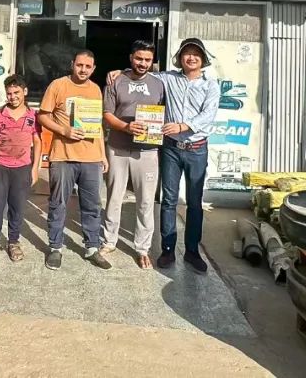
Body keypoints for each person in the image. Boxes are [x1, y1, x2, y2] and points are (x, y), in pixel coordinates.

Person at [108, 38, 220, 274]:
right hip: (170, 148)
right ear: (180, 58)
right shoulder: (167, 78)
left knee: (194, 202)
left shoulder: (211, 85)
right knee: (168, 200)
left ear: (203, 59)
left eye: (196, 54)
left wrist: (182, 126)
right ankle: (168, 249)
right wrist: (120, 71)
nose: (191, 58)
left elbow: (208, 114)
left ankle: (192, 251)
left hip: (197, 148)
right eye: (186, 53)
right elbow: (141, 71)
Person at [37, 50, 112, 271]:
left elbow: (97, 125)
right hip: (63, 156)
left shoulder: (95, 89)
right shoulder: (58, 85)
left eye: (88, 66)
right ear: (72, 64)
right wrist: (64, 131)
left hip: (91, 158)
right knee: (58, 203)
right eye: (80, 65)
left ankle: (92, 248)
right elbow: (42, 116)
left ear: (93, 69)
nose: (83, 70)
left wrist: (102, 154)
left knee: (92, 205)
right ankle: (55, 248)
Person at [101, 40, 166, 270]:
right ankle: (109, 241)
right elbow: (107, 114)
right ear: (131, 57)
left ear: (153, 61)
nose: (143, 63)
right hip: (117, 148)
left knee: (146, 201)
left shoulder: (159, 84)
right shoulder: (115, 80)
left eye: (148, 59)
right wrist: (126, 127)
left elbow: (164, 113)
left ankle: (142, 248)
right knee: (114, 197)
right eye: (139, 58)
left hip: (148, 151)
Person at [0, 75, 41, 265]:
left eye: (16, 92)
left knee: (17, 208)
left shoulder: (32, 115)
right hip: (0, 167)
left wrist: (35, 168)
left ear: (25, 92)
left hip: (22, 169)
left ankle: (13, 242)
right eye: (9, 93)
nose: (13, 96)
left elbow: (38, 142)